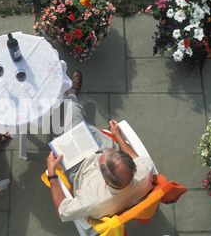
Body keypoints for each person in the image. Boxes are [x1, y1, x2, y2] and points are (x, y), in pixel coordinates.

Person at [46, 71, 154, 221]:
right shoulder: (144, 169)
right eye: (112, 153)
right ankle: (71, 102)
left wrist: (52, 174)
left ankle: (71, 99)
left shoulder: (91, 200)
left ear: (105, 180)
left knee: (68, 124)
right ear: (132, 167)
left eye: (101, 160)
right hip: (105, 157)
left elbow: (63, 212)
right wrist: (117, 136)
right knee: (77, 125)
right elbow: (135, 157)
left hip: (80, 169)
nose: (101, 156)